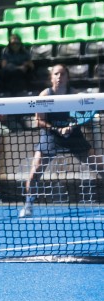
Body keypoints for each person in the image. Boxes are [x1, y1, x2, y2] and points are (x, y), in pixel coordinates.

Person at [20, 64, 93, 218]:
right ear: (51, 77)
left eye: (63, 74)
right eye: (56, 74)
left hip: (73, 136)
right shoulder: (44, 96)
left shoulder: (75, 95)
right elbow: (39, 121)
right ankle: (28, 205)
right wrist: (57, 129)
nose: (59, 77)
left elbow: (81, 117)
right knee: (35, 172)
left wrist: (71, 127)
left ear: (68, 77)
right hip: (51, 135)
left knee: (99, 165)